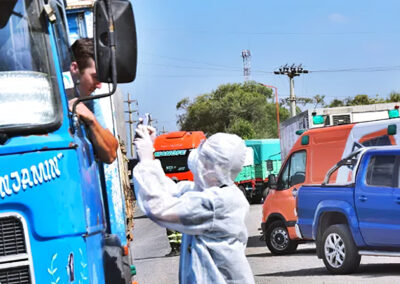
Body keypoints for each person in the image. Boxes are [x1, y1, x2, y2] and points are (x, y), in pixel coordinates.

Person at [133, 125, 255, 284]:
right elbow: (171, 191)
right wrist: (150, 151)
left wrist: (147, 161)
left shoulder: (218, 202)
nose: (200, 163)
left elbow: (159, 207)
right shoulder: (210, 193)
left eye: (205, 160)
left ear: (217, 168)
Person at [69, 38, 118, 164]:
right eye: (95, 77)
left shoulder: (89, 100)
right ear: (75, 68)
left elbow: (111, 154)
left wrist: (91, 120)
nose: (99, 85)